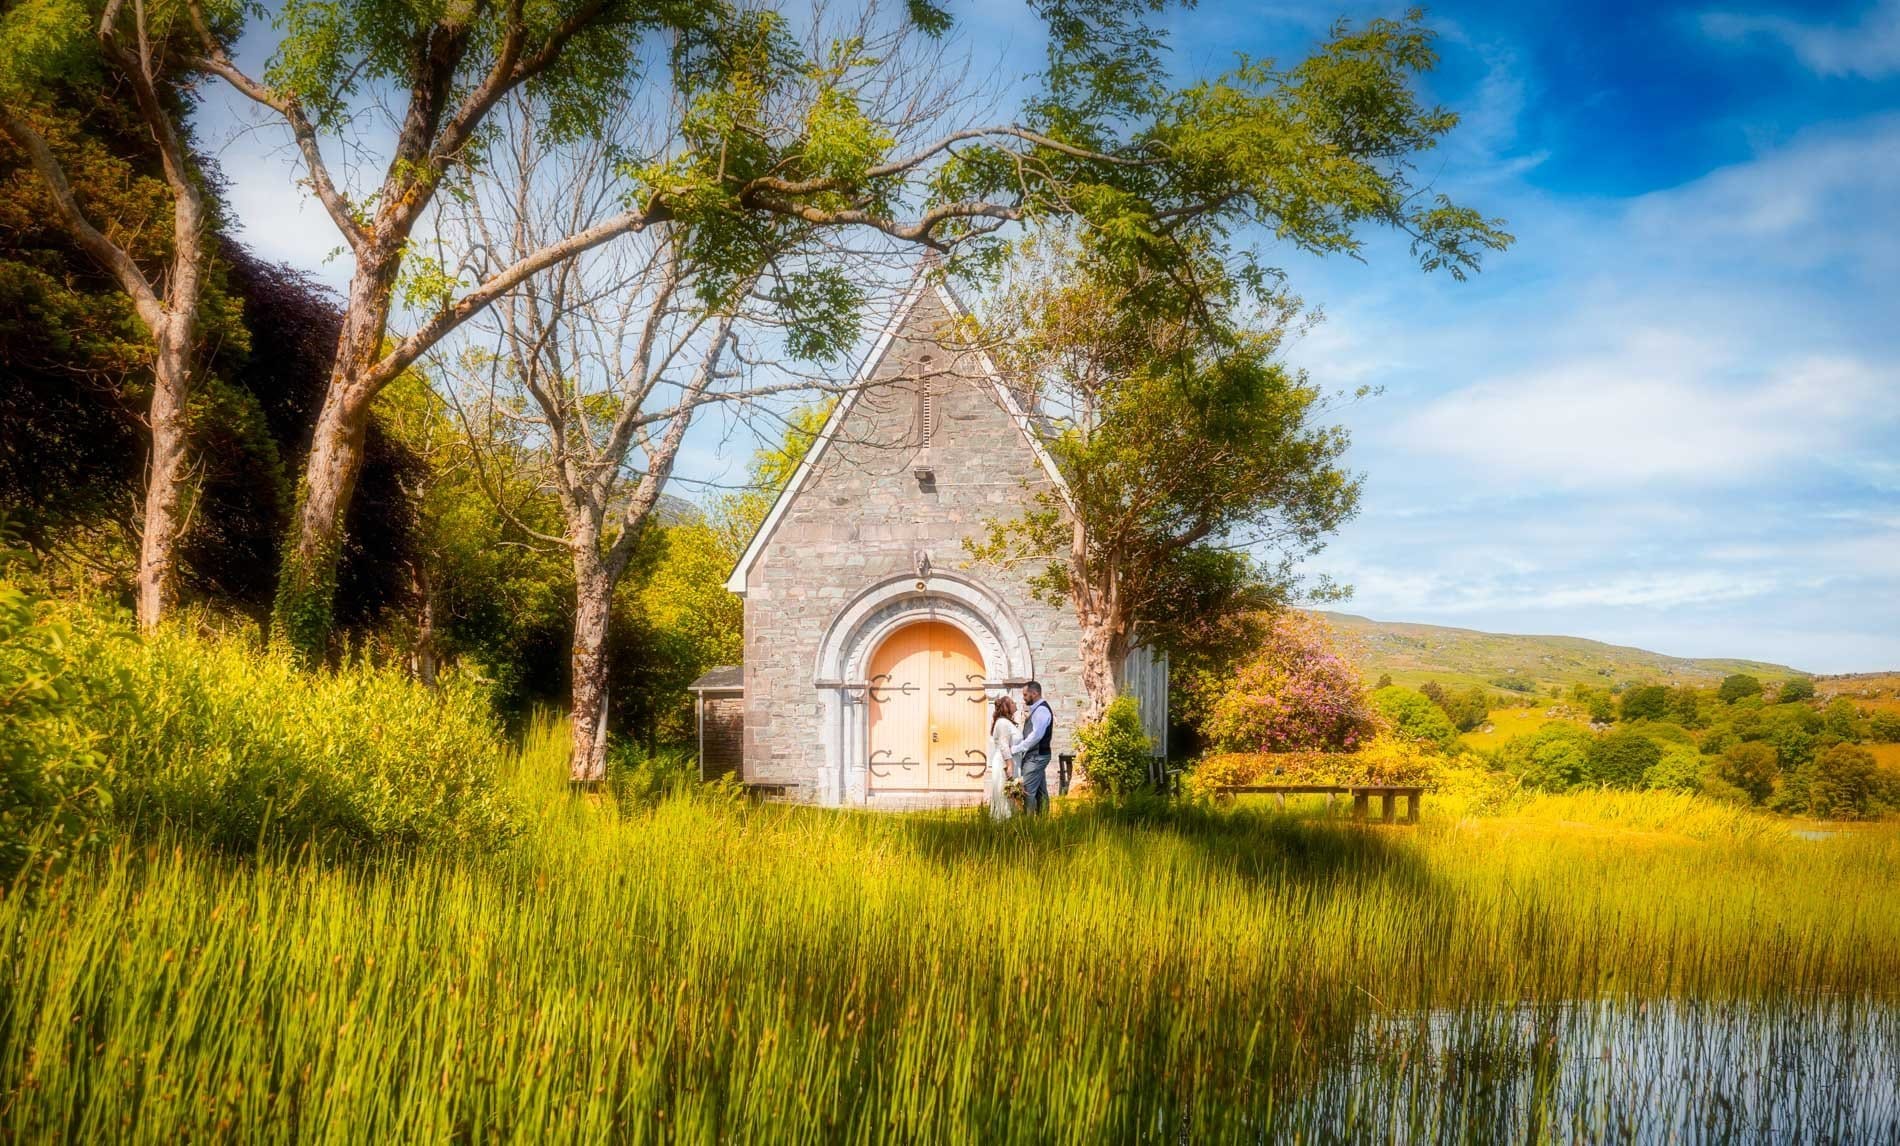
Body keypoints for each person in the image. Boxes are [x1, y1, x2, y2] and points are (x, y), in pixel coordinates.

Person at [1008, 680, 1055, 815]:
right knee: (1041, 791)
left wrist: (1017, 748)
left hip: (1037, 756)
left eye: (1025, 695)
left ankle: (1027, 824)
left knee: (1027, 791)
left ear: (1034, 693)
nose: (1023, 698)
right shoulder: (1037, 710)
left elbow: (1036, 736)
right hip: (1037, 755)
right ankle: (1043, 822)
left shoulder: (1041, 711)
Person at [986, 695, 1018, 821]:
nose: (1015, 703)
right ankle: (1003, 821)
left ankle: (1010, 820)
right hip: (1004, 762)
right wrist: (1009, 765)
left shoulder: (1007, 722)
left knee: (1009, 793)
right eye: (1012, 702)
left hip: (1008, 760)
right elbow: (1004, 745)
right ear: (1006, 707)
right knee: (1004, 792)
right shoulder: (1003, 723)